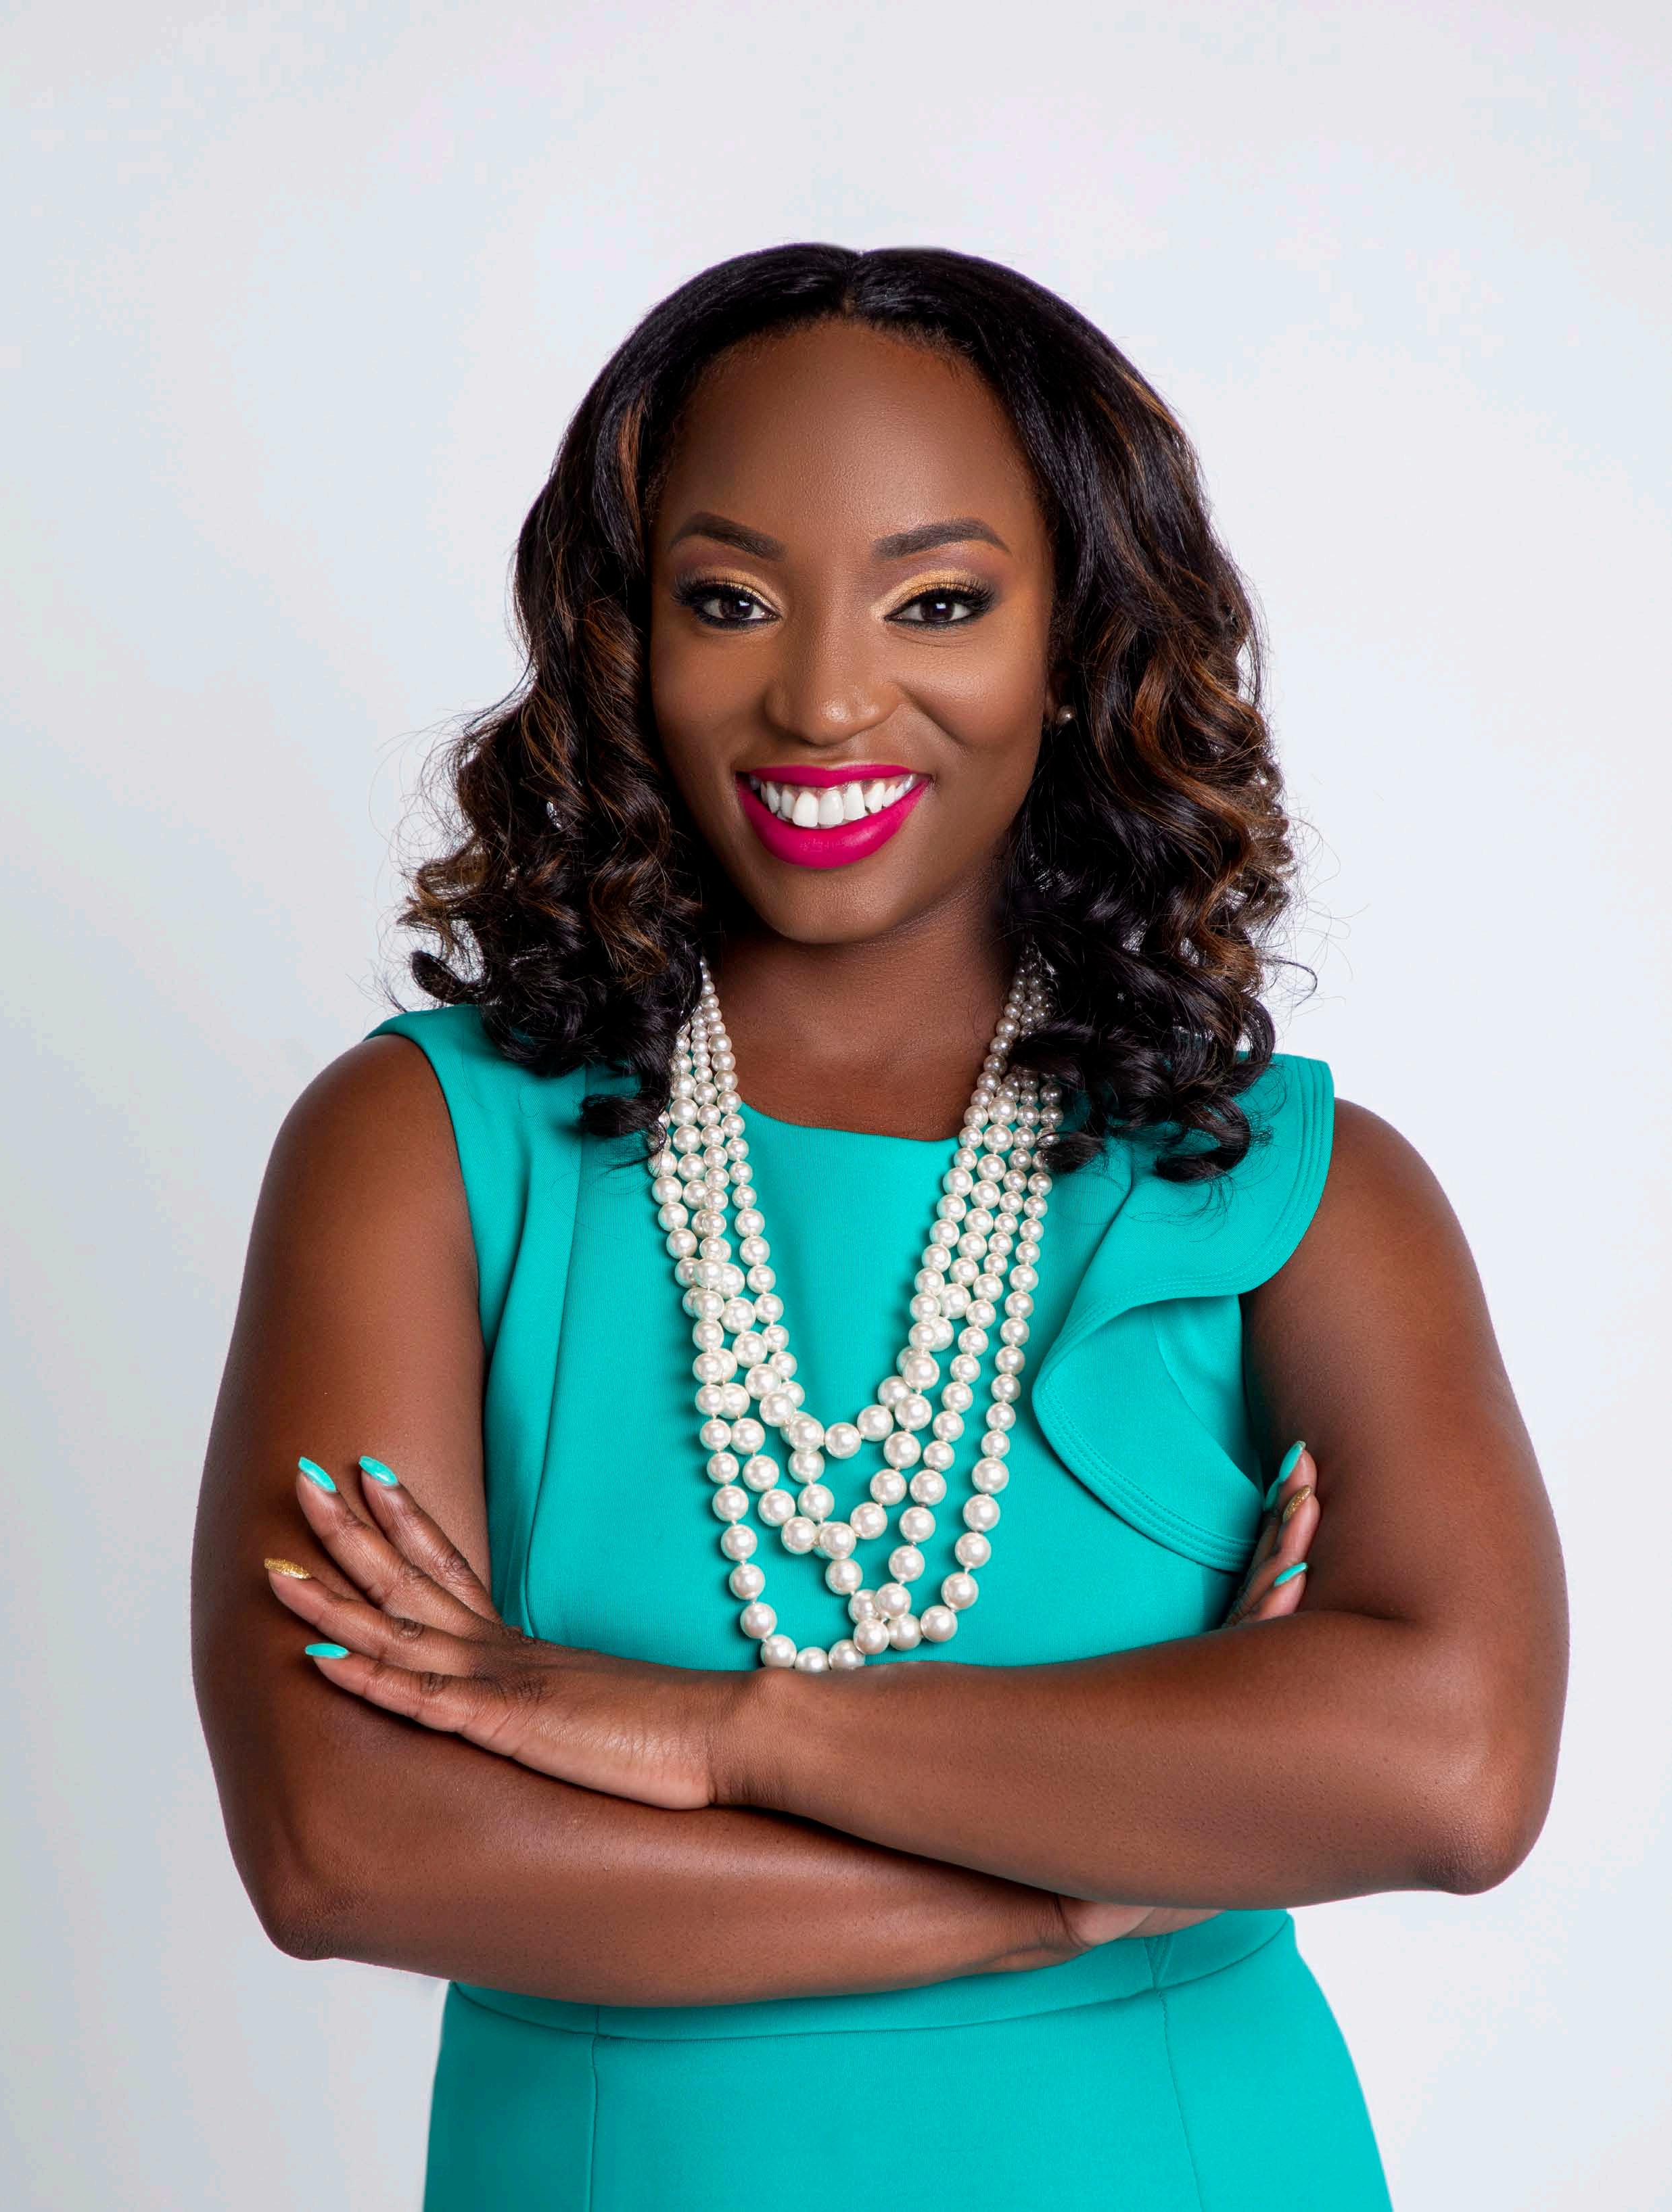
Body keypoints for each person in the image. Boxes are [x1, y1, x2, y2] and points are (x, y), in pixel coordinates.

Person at [191, 243, 1568, 2210]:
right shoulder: (423, 1147)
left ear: (1077, 641)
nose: (825, 696)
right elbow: (350, 1846)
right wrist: (1062, 1893)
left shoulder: (1289, 1184)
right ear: (622, 636)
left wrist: (730, 1737)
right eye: (729, 599)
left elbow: (1451, 1773)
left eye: (939, 601)